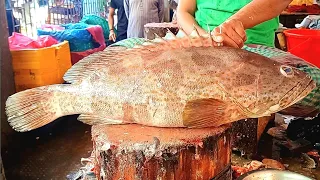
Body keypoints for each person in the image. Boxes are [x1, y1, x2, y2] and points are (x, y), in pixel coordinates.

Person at [177, 0, 293, 48]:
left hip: (253, 45)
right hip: (196, 43)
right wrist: (204, 37)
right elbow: (184, 11)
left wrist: (237, 22)